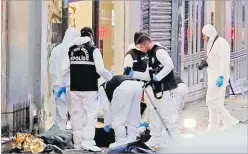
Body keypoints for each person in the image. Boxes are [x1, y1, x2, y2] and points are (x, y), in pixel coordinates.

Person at [57, 27, 112, 151]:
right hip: (89, 88)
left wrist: (62, 85)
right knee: (90, 115)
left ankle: (77, 143)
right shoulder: (94, 50)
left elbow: (64, 69)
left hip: (74, 88)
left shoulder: (71, 49)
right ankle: (87, 142)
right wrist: (109, 78)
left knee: (76, 114)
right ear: (91, 37)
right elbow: (100, 70)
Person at [125, 33, 179, 150]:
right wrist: (133, 74)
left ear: (146, 44)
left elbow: (170, 65)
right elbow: (147, 75)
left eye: (141, 47)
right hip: (157, 91)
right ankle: (155, 138)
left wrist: (159, 76)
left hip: (166, 90)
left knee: (168, 116)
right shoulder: (149, 55)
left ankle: (175, 142)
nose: (140, 50)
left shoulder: (159, 51)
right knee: (155, 115)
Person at [201, 24, 239, 131]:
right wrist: (205, 63)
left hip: (219, 78)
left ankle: (229, 120)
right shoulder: (211, 43)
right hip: (212, 76)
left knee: (210, 101)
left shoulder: (222, 43)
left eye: (204, 35)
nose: (203, 38)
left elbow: (224, 62)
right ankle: (213, 126)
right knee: (217, 101)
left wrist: (221, 76)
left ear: (208, 35)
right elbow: (213, 59)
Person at [98, 75, 143, 148]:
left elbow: (106, 109)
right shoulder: (109, 84)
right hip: (137, 85)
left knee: (118, 117)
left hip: (123, 87)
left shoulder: (101, 89)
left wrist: (107, 124)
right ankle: (132, 140)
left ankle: (120, 142)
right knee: (133, 115)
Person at [49, 27, 80, 131]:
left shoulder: (56, 50)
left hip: (57, 85)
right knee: (75, 112)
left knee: (60, 112)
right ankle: (76, 135)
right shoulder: (74, 50)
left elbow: (51, 69)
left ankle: (60, 134)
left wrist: (54, 84)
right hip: (70, 85)